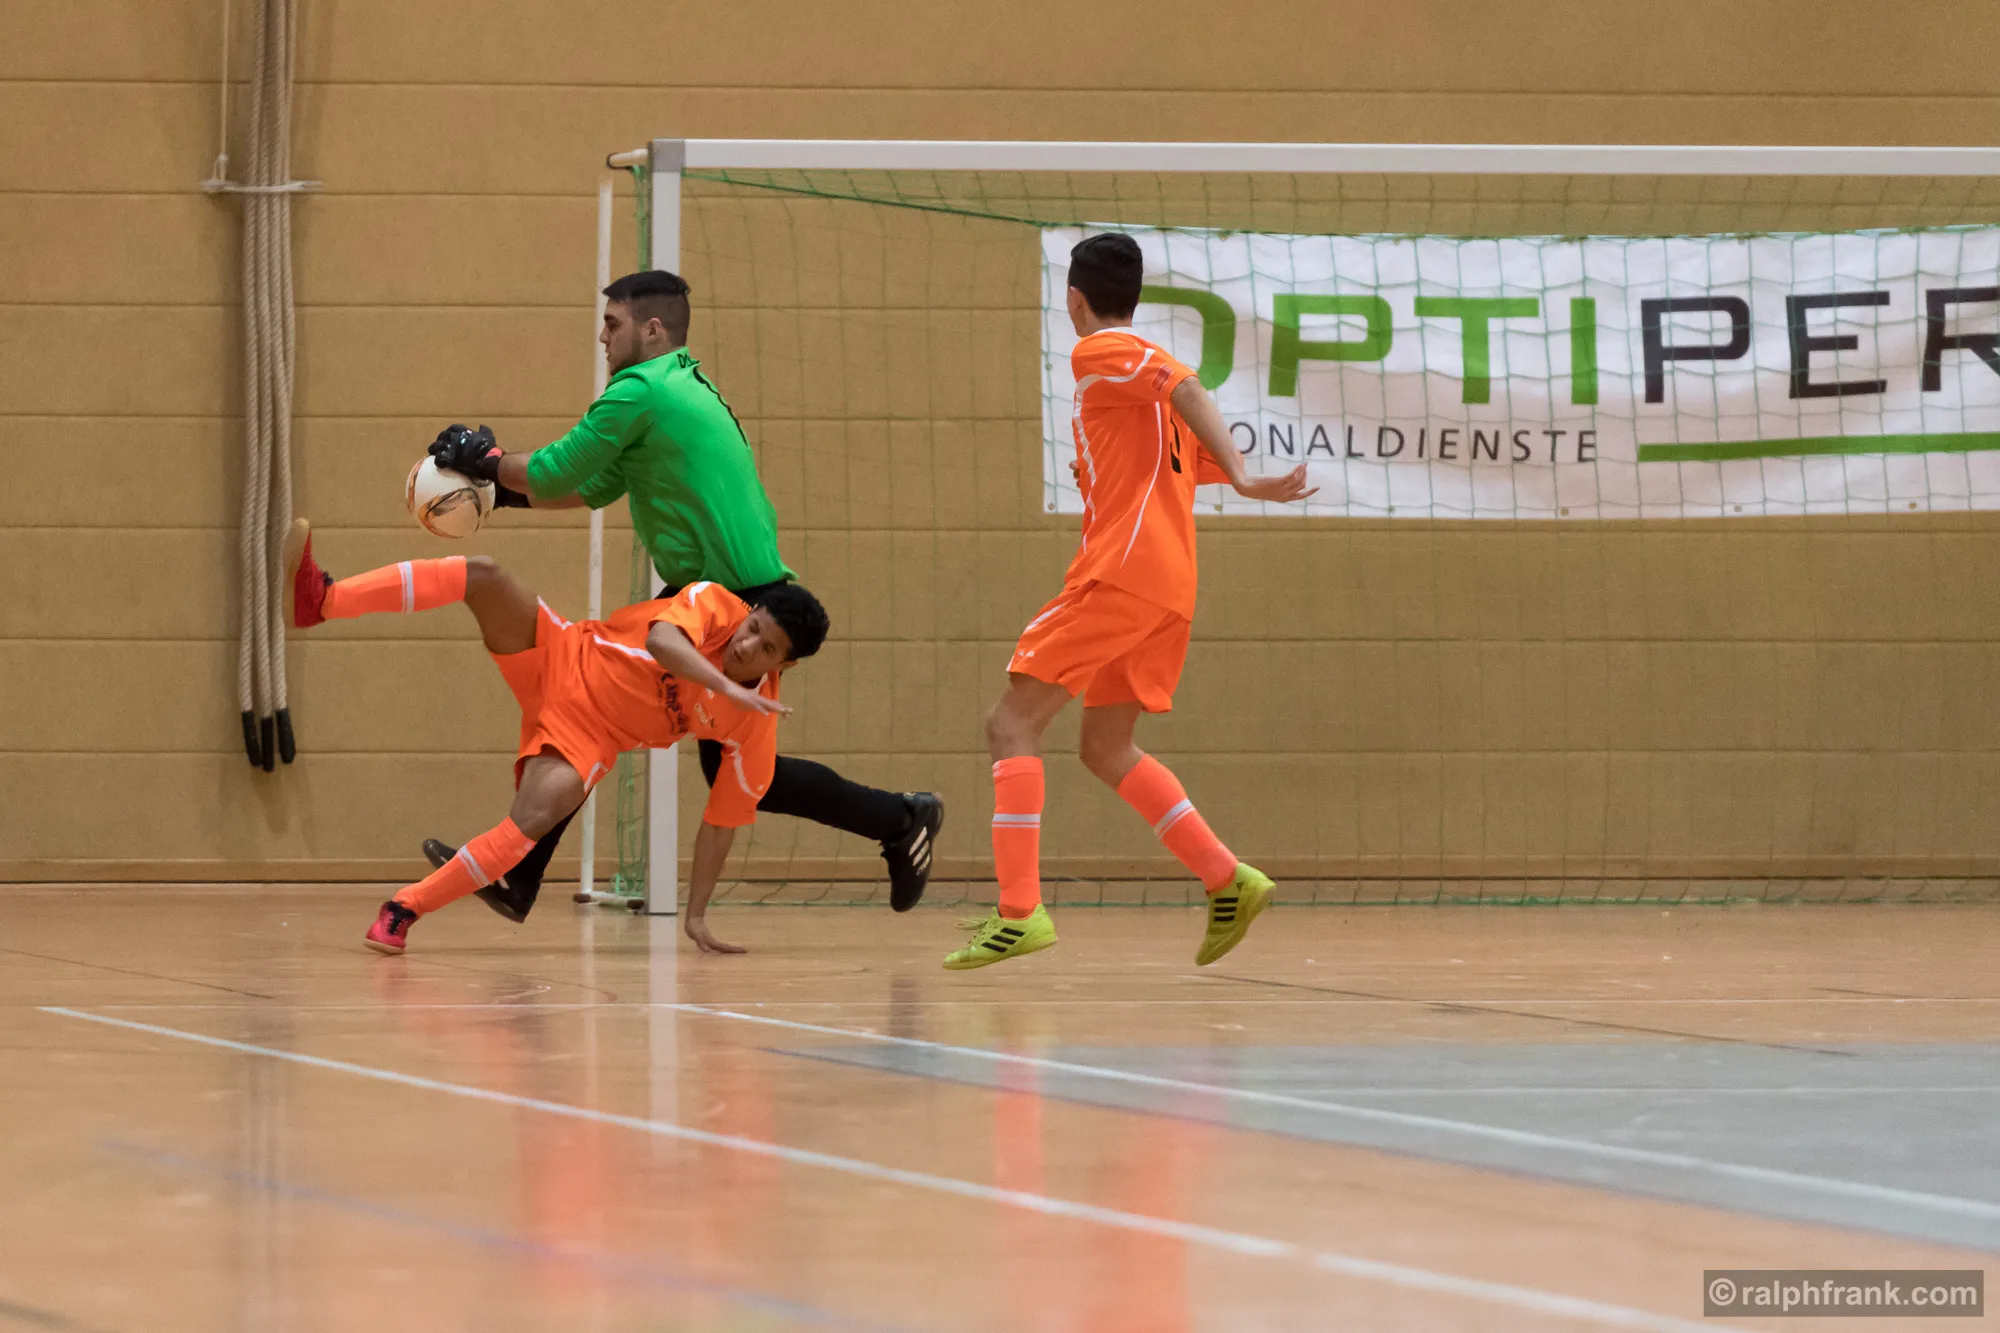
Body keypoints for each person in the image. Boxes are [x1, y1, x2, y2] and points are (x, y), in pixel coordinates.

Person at [418, 270, 941, 921]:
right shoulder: (675, 384)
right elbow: (592, 487)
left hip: (741, 602)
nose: (602, 336)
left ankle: (901, 818)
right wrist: (496, 487)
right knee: (599, 700)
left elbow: (552, 471)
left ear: (652, 328)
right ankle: (520, 874)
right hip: (718, 588)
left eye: (612, 324)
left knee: (616, 711)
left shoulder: (640, 390)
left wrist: (484, 458)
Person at [945, 233, 1318, 971]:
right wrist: (1209, 473)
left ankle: (1019, 912)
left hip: (1124, 573)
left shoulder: (1103, 353)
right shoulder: (1131, 389)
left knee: (1011, 723)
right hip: (1170, 584)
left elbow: (1187, 387)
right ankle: (1225, 877)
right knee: (1105, 747)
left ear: (1073, 299)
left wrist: (1246, 479)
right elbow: (1181, 460)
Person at [279, 518, 829, 956]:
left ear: (786, 665)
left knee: (536, 817)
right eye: (753, 627)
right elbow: (663, 642)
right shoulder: (713, 603)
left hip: (589, 736)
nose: (746, 646)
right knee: (485, 576)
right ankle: (324, 601)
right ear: (750, 611)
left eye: (766, 648)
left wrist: (698, 915)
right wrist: (723, 685)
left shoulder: (755, 723)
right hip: (560, 652)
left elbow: (722, 821)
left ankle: (402, 911)